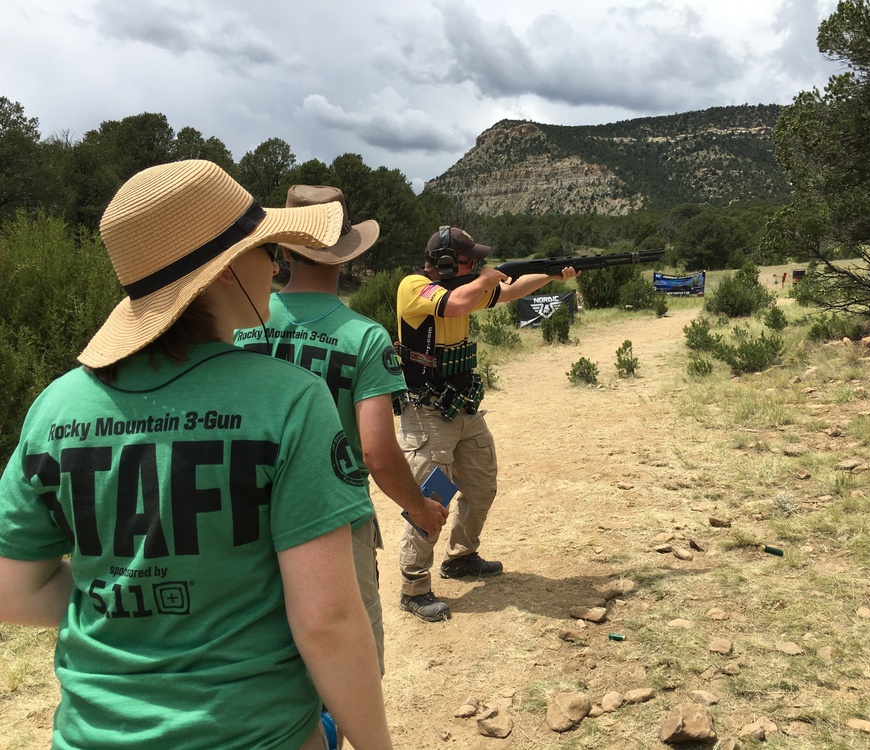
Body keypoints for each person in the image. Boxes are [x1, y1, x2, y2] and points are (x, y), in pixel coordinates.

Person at [0, 160, 393, 750]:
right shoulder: (288, 400)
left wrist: (133, 607)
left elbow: (15, 590)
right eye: (266, 249)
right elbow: (327, 622)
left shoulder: (55, 408)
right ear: (230, 269)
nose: (275, 265)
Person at [235, 185, 448, 673]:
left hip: (247, 521)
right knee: (348, 666)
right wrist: (419, 507)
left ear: (284, 250)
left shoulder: (241, 325)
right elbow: (376, 452)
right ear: (348, 254)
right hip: (333, 522)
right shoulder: (364, 337)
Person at [395, 226, 578, 621]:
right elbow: (457, 303)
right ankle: (414, 586)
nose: (476, 266)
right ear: (446, 264)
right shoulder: (414, 287)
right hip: (427, 413)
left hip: (461, 407)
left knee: (481, 485)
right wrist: (484, 278)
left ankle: (461, 557)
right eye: (468, 261)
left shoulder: (466, 286)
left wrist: (551, 273)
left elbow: (511, 290)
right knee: (431, 498)